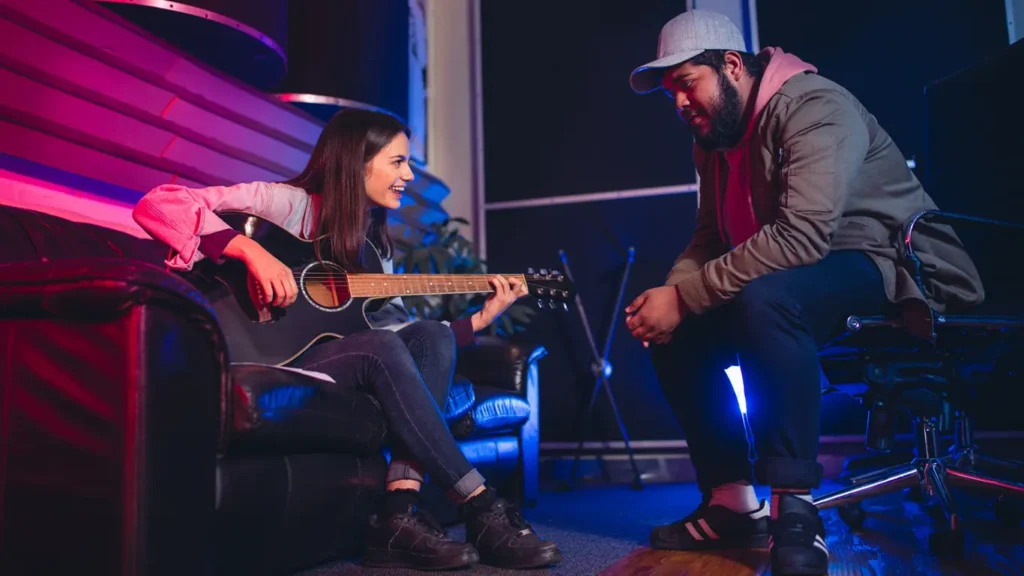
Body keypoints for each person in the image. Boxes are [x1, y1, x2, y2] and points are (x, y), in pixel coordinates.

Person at [623, 9, 982, 576]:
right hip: (805, 271)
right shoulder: (713, 141)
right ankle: (732, 503)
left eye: (686, 84)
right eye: (670, 93)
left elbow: (802, 236)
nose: (679, 103)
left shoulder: (814, 105)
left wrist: (688, 297)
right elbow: (711, 238)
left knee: (766, 299)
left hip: (895, 265)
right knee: (680, 325)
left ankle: (796, 508)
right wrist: (672, 297)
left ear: (731, 66)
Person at [132, 109, 562, 571]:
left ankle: (397, 516)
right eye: (398, 162)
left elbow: (396, 335)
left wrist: (476, 322)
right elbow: (158, 202)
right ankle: (480, 504)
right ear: (358, 163)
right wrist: (250, 250)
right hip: (259, 351)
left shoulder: (373, 249)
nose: (409, 175)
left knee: (431, 334)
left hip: (335, 359)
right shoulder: (280, 203)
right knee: (382, 349)